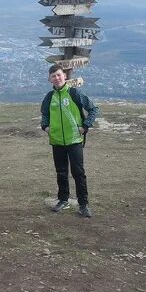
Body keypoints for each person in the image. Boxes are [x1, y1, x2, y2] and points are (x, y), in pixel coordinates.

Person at [40, 64, 100, 218]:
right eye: (53, 76)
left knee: (78, 173)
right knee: (61, 172)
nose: (57, 78)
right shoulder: (49, 97)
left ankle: (83, 204)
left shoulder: (74, 93)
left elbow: (93, 109)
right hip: (57, 141)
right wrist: (45, 127)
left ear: (65, 76)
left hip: (74, 140)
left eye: (59, 75)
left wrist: (85, 126)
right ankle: (63, 200)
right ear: (49, 79)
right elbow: (44, 114)